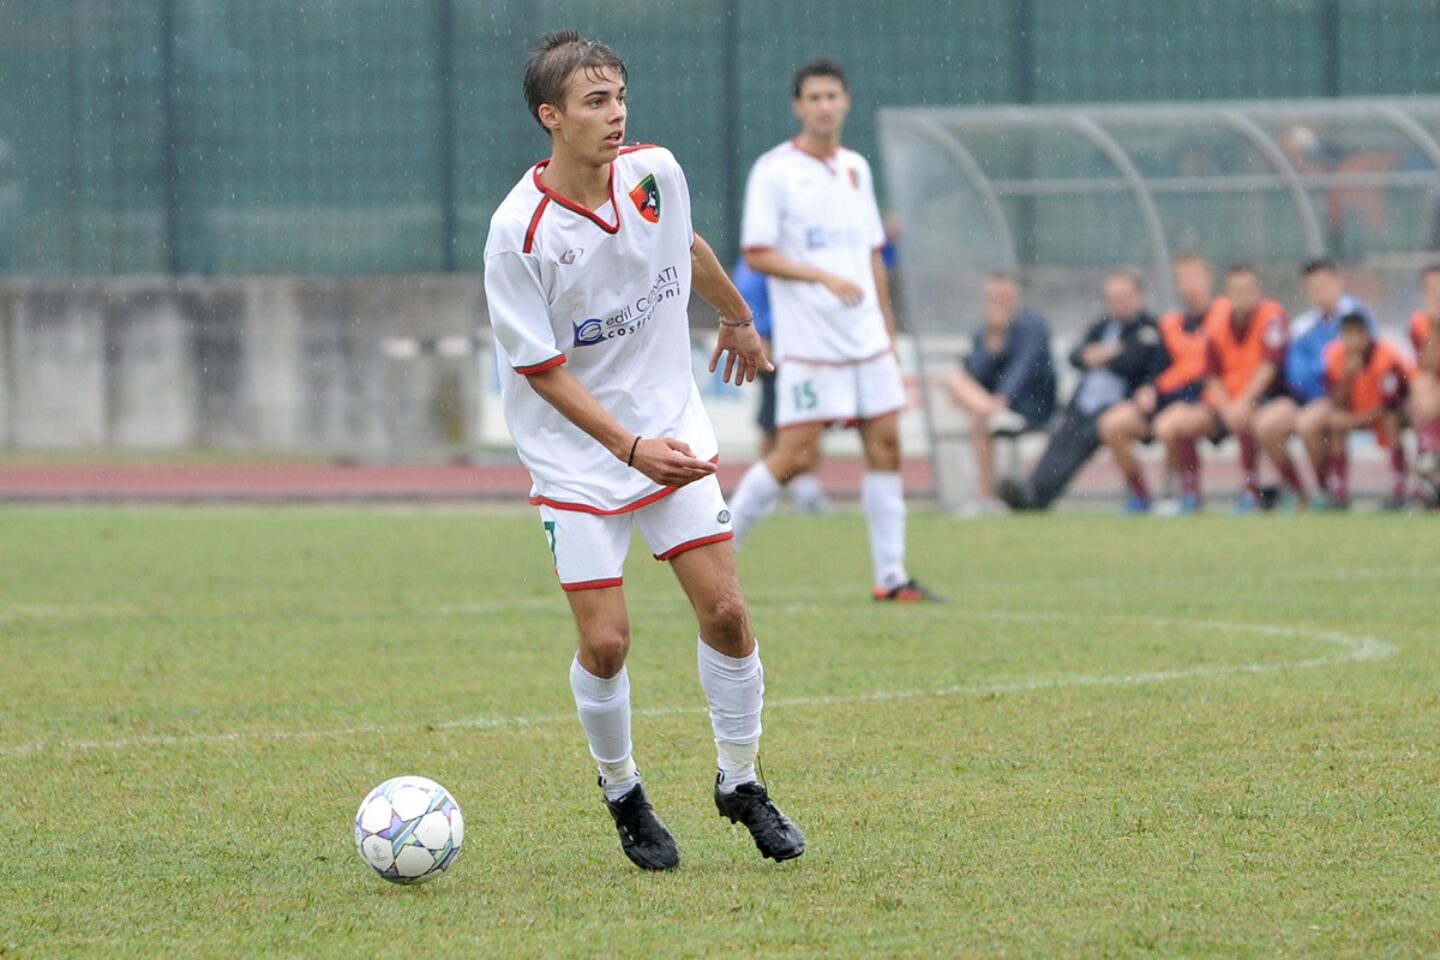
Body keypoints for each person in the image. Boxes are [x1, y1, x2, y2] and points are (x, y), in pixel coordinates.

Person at [483, 31, 803, 872]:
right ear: (550, 117)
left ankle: (741, 782)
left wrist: (736, 316)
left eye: (619, 96)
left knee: (728, 614)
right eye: (595, 102)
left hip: (670, 430)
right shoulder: (519, 233)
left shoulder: (657, 172)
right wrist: (627, 448)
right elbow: (541, 370)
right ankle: (622, 790)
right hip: (577, 459)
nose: (615, 114)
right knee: (609, 644)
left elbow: (686, 249)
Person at [727, 57, 940, 602]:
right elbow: (757, 252)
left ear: (846, 103)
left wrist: (888, 336)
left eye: (833, 96)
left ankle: (891, 577)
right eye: (814, 97)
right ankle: (719, 552)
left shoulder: (855, 168)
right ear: (799, 106)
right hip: (812, 344)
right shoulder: (774, 171)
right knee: (795, 456)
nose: (824, 106)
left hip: (866, 340)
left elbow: (872, 256)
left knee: (887, 445)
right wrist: (819, 274)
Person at [998, 269, 1166, 511]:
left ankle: (1041, 495)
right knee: (1061, 438)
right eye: (1114, 298)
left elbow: (1134, 359)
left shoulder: (1149, 327)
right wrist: (1110, 352)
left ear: (1138, 296)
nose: (1120, 303)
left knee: (1080, 442)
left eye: (1125, 296)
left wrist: (1100, 355)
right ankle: (1032, 488)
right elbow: (1075, 355)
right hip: (1083, 402)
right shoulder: (1102, 326)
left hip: (1117, 404)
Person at [1153, 265, 1308, 511]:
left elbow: (1269, 365)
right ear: (1226, 294)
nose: (1243, 297)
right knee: (1183, 425)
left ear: (1258, 292)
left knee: (1256, 422)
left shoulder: (1272, 316)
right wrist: (1227, 407)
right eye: (1237, 291)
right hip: (1227, 402)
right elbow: (1211, 375)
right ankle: (1190, 495)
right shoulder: (1217, 324)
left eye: (1248, 290)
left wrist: (1243, 403)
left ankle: (1283, 492)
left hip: (1268, 398)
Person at [1096, 253, 1221, 514]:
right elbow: (1158, 365)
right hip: (1167, 399)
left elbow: (1218, 368)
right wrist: (1149, 388)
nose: (1189, 285)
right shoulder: (1170, 324)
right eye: (1183, 279)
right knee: (1111, 424)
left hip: (1207, 401)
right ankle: (1142, 496)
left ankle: (1185, 494)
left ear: (1209, 279)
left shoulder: (1223, 317)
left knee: (1170, 426)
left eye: (1194, 277)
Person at [943, 272, 1056, 513]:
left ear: (1016, 297)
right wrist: (992, 342)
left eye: (1004, 296)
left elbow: (1026, 367)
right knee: (955, 382)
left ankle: (992, 412)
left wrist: (1003, 398)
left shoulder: (1033, 324)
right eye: (993, 297)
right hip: (995, 407)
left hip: (1030, 406)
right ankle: (986, 500)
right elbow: (974, 374)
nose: (998, 302)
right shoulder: (985, 331)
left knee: (979, 414)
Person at [732, 256, 831, 514]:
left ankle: (806, 489)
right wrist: (757, 334)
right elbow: (746, 294)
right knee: (772, 422)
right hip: (775, 345)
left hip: (804, 343)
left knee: (811, 417)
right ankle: (763, 497)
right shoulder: (761, 257)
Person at [1285, 258, 1378, 508]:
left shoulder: (1359, 317)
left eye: (1325, 285)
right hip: (1323, 397)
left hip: (1359, 397)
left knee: (1312, 423)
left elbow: (1372, 359)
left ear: (1339, 282)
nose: (1320, 293)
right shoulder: (1303, 327)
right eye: (1313, 287)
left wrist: (1335, 373)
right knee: (1279, 424)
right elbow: (1298, 376)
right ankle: (1317, 491)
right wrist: (1330, 368)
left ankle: (1331, 490)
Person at [1319, 313, 1411, 509]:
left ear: (1367, 334)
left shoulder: (1386, 356)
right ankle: (1338, 490)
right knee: (1335, 423)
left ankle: (1399, 488)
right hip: (1359, 411)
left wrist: (1358, 420)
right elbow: (1337, 401)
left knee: (1391, 421)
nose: (1352, 341)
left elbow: (1391, 404)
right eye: (1347, 335)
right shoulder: (1335, 356)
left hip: (1388, 411)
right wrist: (1349, 375)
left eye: (1357, 334)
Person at [1408, 264, 1440, 506]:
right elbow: (1427, 365)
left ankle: (1428, 464)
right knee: (1422, 386)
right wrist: (1435, 327)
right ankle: (1428, 467)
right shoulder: (1420, 322)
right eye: (1432, 289)